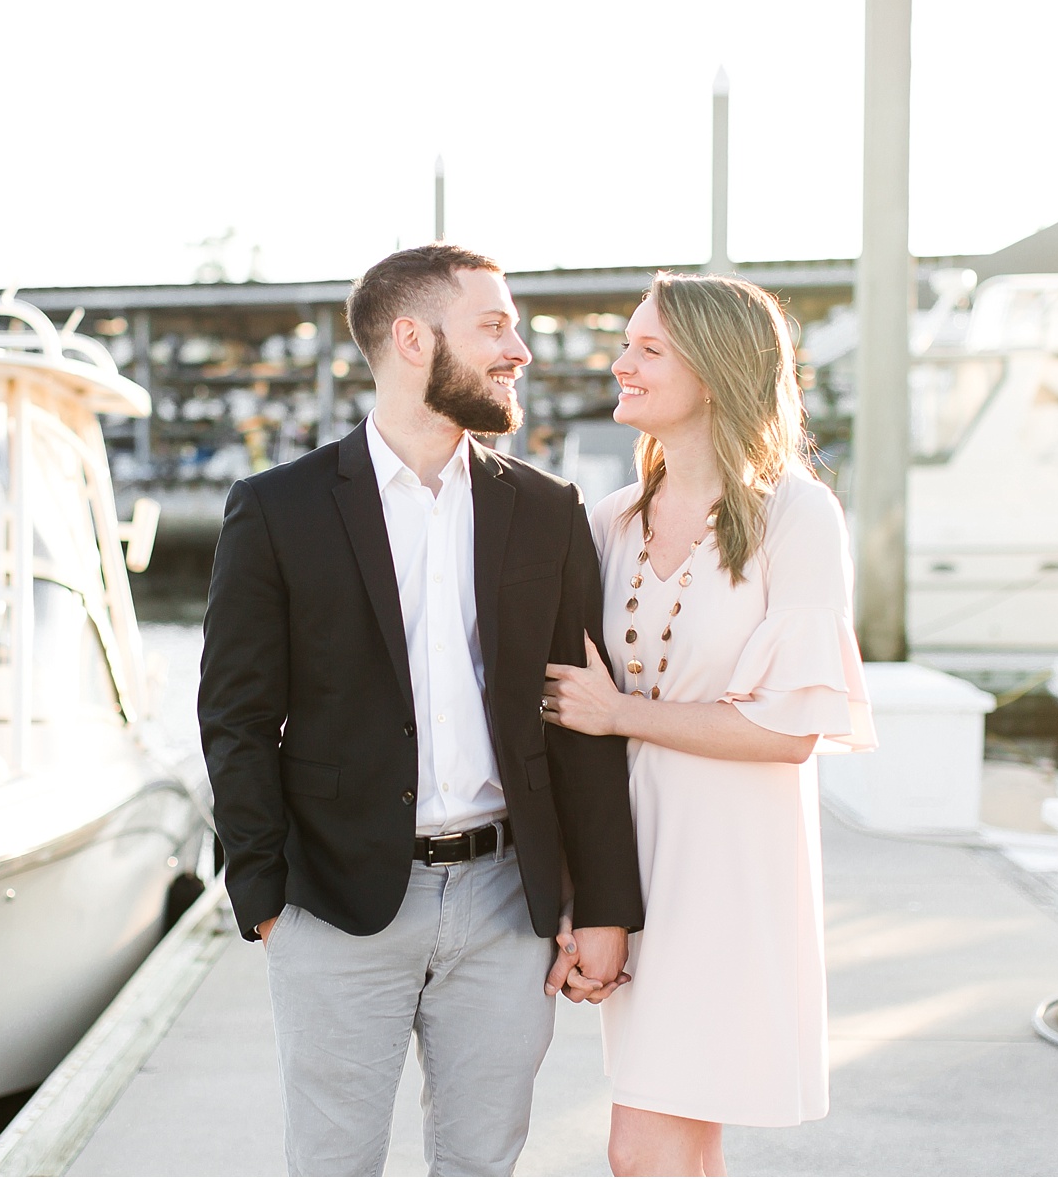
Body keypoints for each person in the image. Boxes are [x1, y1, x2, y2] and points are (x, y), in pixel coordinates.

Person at [199, 244, 645, 1177]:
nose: (517, 349)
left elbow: (581, 720)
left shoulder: (548, 509)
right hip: (332, 901)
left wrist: (601, 902)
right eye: (494, 326)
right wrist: (265, 899)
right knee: (335, 1165)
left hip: (501, 900)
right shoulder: (277, 510)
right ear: (412, 338)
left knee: (482, 1164)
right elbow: (235, 718)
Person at [540, 272, 876, 1177]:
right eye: (627, 344)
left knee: (643, 1150)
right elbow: (572, 730)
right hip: (638, 857)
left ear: (718, 370)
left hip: (735, 865)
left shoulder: (795, 516)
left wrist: (622, 714)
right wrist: (586, 891)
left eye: (649, 349)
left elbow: (790, 731)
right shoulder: (610, 522)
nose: (622, 364)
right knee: (680, 1147)